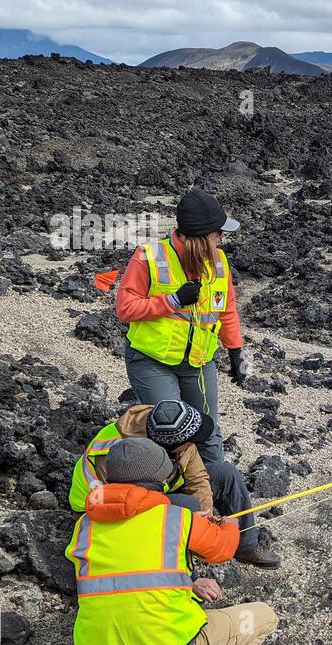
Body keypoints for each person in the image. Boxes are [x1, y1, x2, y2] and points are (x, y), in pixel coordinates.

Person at [65, 438, 277, 645]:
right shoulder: (175, 518)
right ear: (159, 478)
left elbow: (130, 574)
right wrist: (223, 521)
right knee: (264, 617)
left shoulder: (84, 527)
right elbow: (223, 549)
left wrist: (191, 581)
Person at [115, 188, 252, 464]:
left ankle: (217, 496)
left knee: (208, 431)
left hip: (199, 363)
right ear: (202, 238)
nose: (223, 238)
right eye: (218, 233)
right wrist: (173, 300)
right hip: (151, 361)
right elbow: (125, 309)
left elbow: (226, 310)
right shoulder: (148, 257)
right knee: (170, 432)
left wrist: (236, 352)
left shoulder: (220, 263)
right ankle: (171, 498)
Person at [68, 399, 280, 568]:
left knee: (226, 473)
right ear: (171, 448)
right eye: (191, 441)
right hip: (102, 508)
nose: (195, 443)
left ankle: (246, 545)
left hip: (156, 487)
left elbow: (198, 478)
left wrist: (206, 516)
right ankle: (182, 557)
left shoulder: (169, 423)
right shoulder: (124, 454)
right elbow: (127, 505)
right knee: (186, 505)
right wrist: (192, 520)